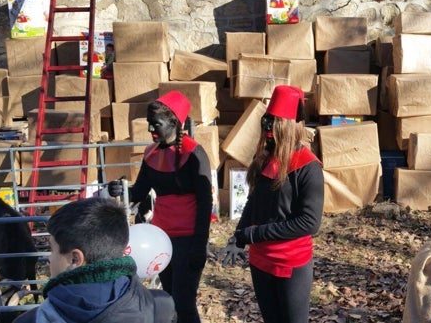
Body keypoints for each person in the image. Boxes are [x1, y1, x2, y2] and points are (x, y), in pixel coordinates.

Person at [108, 90, 213, 323]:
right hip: (161, 238)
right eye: (149, 124)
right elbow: (139, 191)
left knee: (184, 304)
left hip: (188, 238)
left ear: (174, 122)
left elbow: (206, 202)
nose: (150, 129)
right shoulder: (151, 153)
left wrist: (200, 244)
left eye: (155, 124)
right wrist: (121, 189)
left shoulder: (195, 154)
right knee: (169, 300)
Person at [224, 85, 324, 323]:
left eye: (274, 122)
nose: (268, 128)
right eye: (266, 120)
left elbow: (309, 223)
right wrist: (238, 237)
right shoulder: (266, 158)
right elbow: (253, 202)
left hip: (290, 264)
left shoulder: (308, 167)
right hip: (260, 261)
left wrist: (256, 234)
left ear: (289, 126)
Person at [13, 197, 176, 323]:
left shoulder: (33, 319)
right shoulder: (159, 307)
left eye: (52, 250)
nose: (49, 259)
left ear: (75, 259)